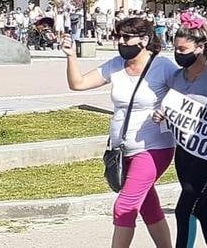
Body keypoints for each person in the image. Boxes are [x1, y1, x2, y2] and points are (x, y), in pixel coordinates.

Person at [62, 17, 180, 248]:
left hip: (154, 148)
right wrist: (70, 56)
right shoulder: (115, 65)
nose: (121, 42)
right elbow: (78, 84)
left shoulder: (162, 67)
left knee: (125, 206)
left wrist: (168, 111)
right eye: (119, 37)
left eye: (127, 37)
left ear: (144, 40)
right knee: (148, 205)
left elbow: (185, 92)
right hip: (122, 148)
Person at [156, 14, 207, 248]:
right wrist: (162, 113)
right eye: (176, 48)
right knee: (202, 204)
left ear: (200, 48)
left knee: (185, 209)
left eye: (183, 49)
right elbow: (170, 105)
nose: (178, 53)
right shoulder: (176, 77)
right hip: (185, 151)